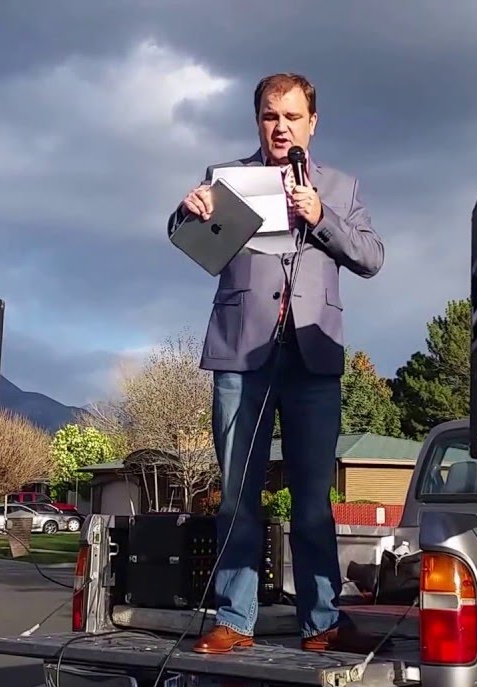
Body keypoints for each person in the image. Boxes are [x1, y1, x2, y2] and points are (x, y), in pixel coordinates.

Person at [166, 73, 385, 654]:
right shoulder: (227, 180)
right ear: (257, 121)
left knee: (313, 497)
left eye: (291, 116)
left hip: (312, 355)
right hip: (242, 354)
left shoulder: (341, 184)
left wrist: (321, 215)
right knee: (239, 492)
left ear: (312, 123)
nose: (281, 126)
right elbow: (187, 238)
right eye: (270, 116)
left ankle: (323, 620)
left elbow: (371, 257)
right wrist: (187, 211)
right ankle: (235, 619)